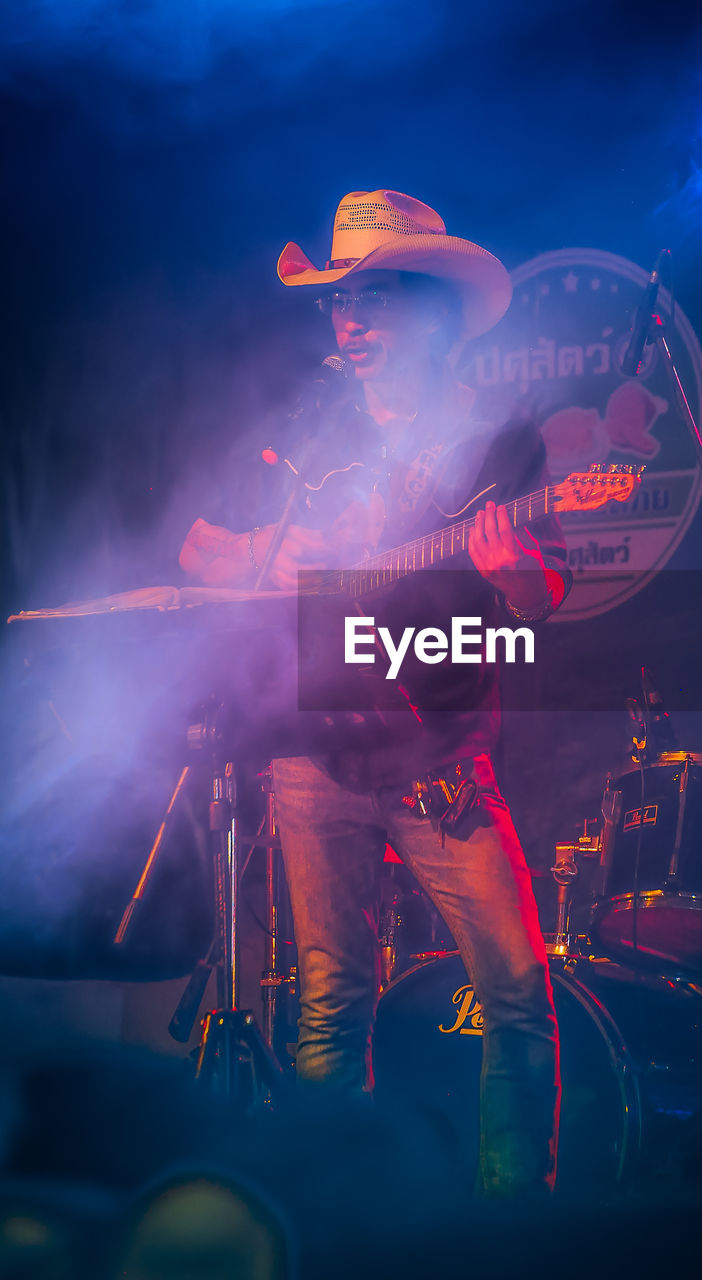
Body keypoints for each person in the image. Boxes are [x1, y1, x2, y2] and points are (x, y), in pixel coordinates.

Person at [179, 190, 569, 1196]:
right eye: (336, 303)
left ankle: (513, 1219)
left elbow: (540, 590)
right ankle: (330, 1213)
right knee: (325, 1000)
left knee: (518, 991)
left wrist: (508, 564)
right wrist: (271, 552)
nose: (348, 322)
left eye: (374, 299)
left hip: (439, 754)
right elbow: (196, 548)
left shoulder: (498, 439)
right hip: (310, 749)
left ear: (433, 311)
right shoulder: (304, 431)